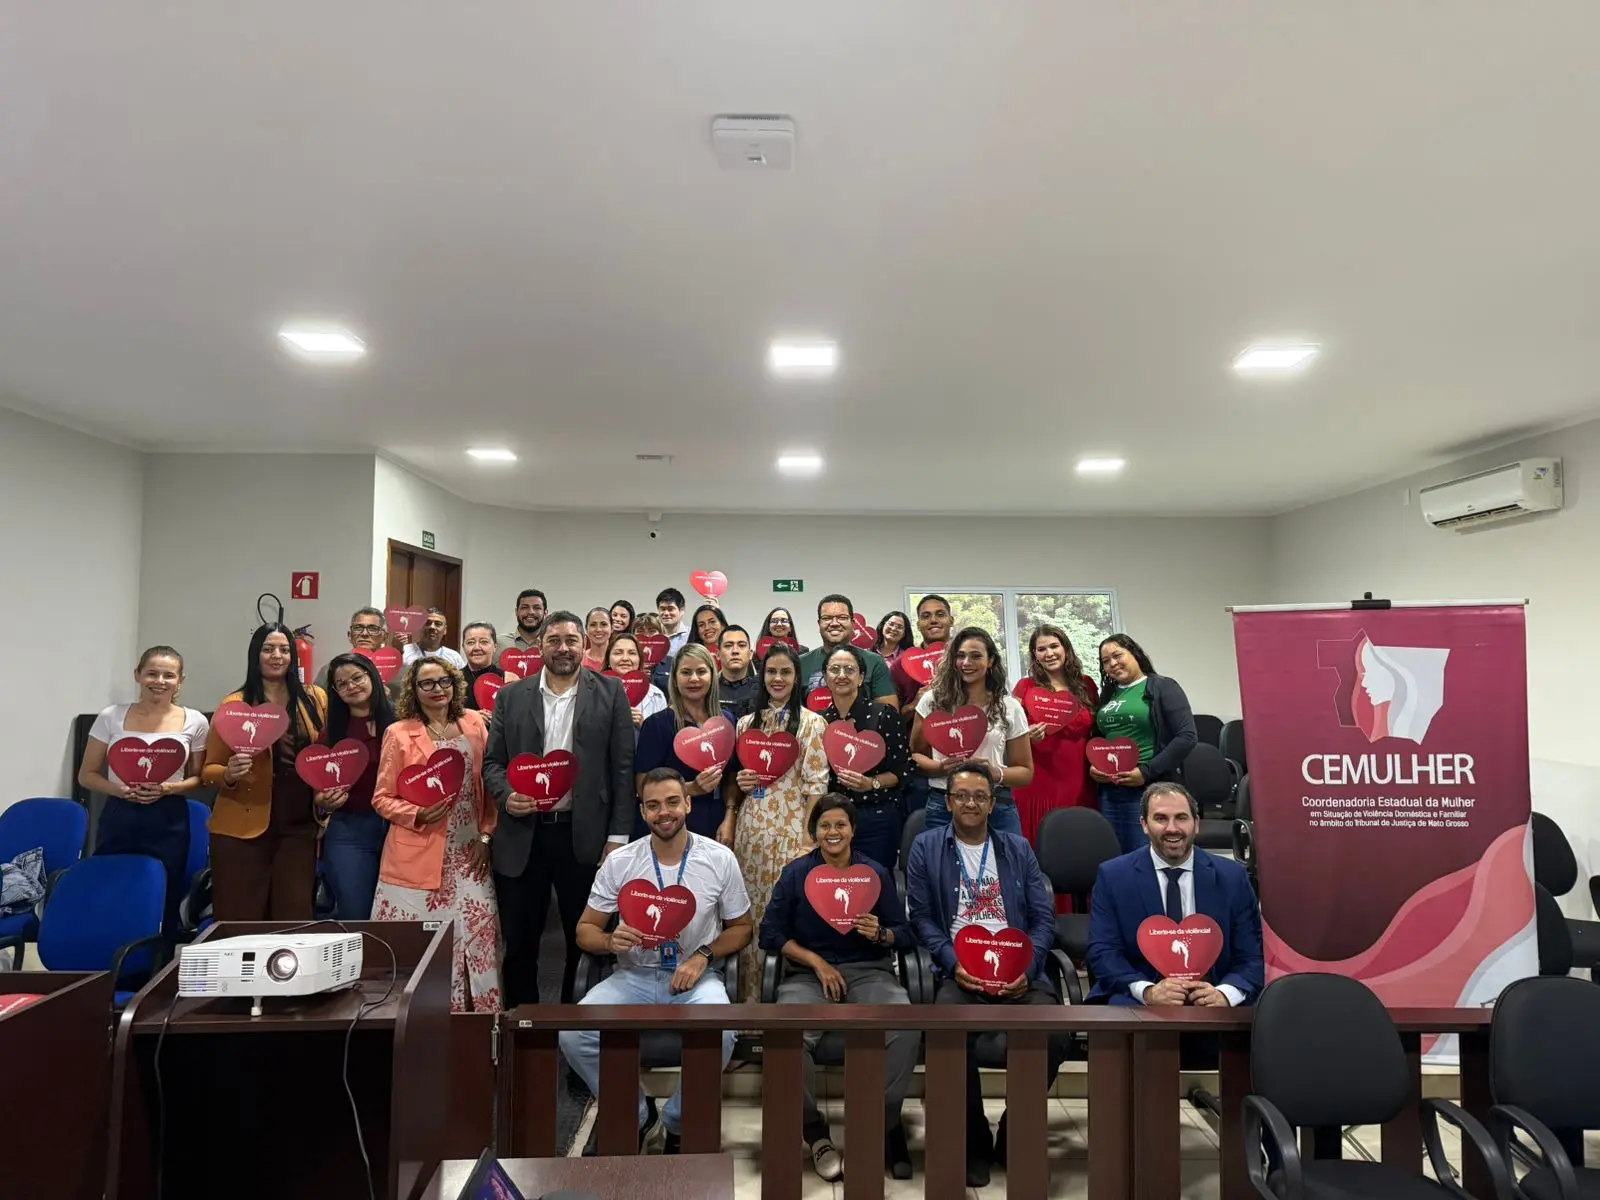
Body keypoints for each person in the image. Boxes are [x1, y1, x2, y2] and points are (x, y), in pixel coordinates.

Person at [561, 768, 753, 1155]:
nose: (663, 812)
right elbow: (585, 930)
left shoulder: (719, 858)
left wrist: (703, 955)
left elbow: (743, 928)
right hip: (632, 974)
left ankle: (679, 1121)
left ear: (687, 803)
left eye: (671, 802)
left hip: (696, 978)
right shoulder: (621, 862)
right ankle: (633, 1111)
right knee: (572, 1032)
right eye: (652, 805)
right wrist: (608, 939)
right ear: (643, 811)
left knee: (725, 1031)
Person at [905, 765, 1068, 1188]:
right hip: (959, 970)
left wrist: (1029, 969)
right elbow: (922, 918)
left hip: (1017, 970)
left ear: (993, 804)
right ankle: (973, 1141)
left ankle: (1013, 1134)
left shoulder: (1017, 848)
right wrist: (951, 962)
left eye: (980, 796)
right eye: (962, 795)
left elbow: (1042, 917)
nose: (971, 803)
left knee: (1056, 1034)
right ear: (948, 802)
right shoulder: (925, 847)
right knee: (947, 1035)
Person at [759, 795, 917, 1181]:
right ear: (815, 831)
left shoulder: (875, 873)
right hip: (809, 976)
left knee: (906, 1024)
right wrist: (817, 963)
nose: (833, 833)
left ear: (853, 830)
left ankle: (878, 1125)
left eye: (840, 825)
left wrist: (881, 933)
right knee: (786, 1035)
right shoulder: (796, 874)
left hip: (870, 972)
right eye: (825, 825)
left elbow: (906, 934)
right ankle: (816, 1135)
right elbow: (770, 933)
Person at [483, 612, 636, 1007]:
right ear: (540, 647)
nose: (563, 648)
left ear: (585, 645)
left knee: (582, 939)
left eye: (571, 640)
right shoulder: (511, 696)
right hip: (523, 835)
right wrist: (505, 796)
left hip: (583, 835)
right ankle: (523, 1026)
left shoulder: (611, 691)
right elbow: (492, 764)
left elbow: (622, 768)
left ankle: (572, 1027)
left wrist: (618, 838)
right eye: (554, 641)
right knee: (520, 941)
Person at [371, 656, 501, 1011]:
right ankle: (418, 1023)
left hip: (469, 851)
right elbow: (381, 798)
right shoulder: (398, 733)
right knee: (423, 945)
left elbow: (490, 791)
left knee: (479, 936)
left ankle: (478, 1026)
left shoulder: (475, 723)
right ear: (413, 690)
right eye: (427, 683)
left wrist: (486, 837)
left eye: (444, 681)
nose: (437, 689)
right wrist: (416, 812)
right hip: (417, 854)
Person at [1086, 782, 1263, 1008]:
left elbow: (1252, 955)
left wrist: (1225, 994)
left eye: (1181, 817)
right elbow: (1103, 952)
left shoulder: (1232, 877)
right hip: (1142, 997)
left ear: (1196, 823)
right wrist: (1147, 991)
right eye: (1160, 819)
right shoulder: (1113, 876)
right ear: (1144, 825)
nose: (1172, 828)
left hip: (1213, 995)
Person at [722, 642, 830, 1000]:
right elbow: (737, 782)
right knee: (748, 917)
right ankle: (747, 1012)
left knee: (784, 918)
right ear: (762, 676)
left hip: (792, 833)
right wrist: (736, 801)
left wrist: (808, 840)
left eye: (785, 671)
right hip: (751, 833)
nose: (778, 678)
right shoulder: (745, 724)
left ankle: (784, 1014)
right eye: (771, 671)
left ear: (796, 676)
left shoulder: (813, 724)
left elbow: (817, 787)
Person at [79, 646, 210, 934]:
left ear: (180, 680)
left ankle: (157, 966)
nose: (159, 681)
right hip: (119, 813)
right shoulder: (110, 717)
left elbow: (199, 779)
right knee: (113, 888)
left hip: (170, 816)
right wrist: (119, 790)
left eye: (169, 675)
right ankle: (109, 959)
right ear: (138, 675)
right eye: (152, 673)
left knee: (166, 892)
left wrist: (167, 788)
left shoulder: (196, 721)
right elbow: (86, 775)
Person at [201, 623, 328, 919]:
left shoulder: (315, 699)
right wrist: (229, 773)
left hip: (299, 828)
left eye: (284, 650)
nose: (277, 656)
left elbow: (323, 755)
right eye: (268, 649)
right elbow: (209, 770)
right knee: (240, 918)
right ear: (255, 655)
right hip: (241, 830)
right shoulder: (234, 705)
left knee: (293, 916)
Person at [910, 627, 1033, 837]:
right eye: (960, 656)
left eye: (976, 656)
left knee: (1008, 868)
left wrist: (997, 773)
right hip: (944, 803)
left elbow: (1025, 772)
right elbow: (915, 755)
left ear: (991, 661)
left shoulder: (1009, 706)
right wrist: (940, 767)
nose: (966, 663)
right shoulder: (932, 701)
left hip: (996, 804)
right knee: (943, 869)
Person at [1092, 634, 1198, 854]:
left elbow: (1187, 736)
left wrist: (1146, 771)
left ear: (1135, 653)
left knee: (1145, 857)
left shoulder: (1162, 686)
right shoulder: (1108, 695)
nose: (1112, 663)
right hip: (1109, 791)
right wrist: (1093, 766)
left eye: (1117, 655)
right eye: (1105, 661)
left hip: (1147, 789)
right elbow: (1098, 738)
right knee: (1114, 858)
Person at [316, 652, 396, 920]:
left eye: (357, 677)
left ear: (372, 675)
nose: (351, 686)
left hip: (401, 828)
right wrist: (323, 801)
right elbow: (317, 790)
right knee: (357, 913)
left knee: (398, 913)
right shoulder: (332, 734)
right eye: (342, 684)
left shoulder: (403, 721)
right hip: (350, 831)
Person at [816, 645, 910, 871]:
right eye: (834, 669)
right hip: (832, 821)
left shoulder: (884, 715)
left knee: (876, 884)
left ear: (861, 678)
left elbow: (903, 771)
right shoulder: (819, 722)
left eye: (849, 669)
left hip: (876, 818)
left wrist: (871, 783)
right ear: (826, 677)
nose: (841, 676)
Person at [1011, 624, 1099, 845]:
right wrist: (1025, 736)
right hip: (1037, 779)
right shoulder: (1025, 687)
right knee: (1037, 843)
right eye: (1041, 649)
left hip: (1078, 780)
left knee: (1078, 845)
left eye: (1054, 646)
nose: (1049, 653)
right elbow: (1007, 733)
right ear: (1034, 655)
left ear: (1065, 648)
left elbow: (1098, 730)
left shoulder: (1086, 684)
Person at [634, 644, 732, 840]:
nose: (694, 679)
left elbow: (732, 775)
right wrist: (691, 788)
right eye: (686, 672)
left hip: (720, 823)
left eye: (701, 672)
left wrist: (730, 816)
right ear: (675, 679)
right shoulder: (657, 725)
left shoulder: (727, 721)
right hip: (672, 826)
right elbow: (642, 787)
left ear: (712, 676)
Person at [797, 594, 897, 705]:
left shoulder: (874, 662)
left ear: (853, 624)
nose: (834, 623)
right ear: (819, 624)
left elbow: (889, 713)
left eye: (842, 618)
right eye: (827, 618)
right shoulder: (800, 663)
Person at [890, 594, 954, 712]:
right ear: (918, 625)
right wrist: (914, 705)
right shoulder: (901, 664)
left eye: (940, 614)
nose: (933, 620)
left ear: (951, 620)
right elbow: (893, 719)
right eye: (926, 616)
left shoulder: (967, 660)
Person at [314, 606, 387, 690]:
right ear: (350, 636)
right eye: (358, 628)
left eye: (373, 629)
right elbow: (315, 701)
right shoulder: (330, 670)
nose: (364, 634)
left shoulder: (399, 672)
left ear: (384, 637)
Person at [605, 633, 668, 730]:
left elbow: (663, 738)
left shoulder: (656, 695)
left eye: (632, 653)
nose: (625, 658)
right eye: (618, 653)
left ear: (640, 659)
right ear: (608, 659)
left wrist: (644, 726)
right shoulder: (595, 691)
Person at [462, 621, 517, 710]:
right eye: (470, 643)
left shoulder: (510, 679)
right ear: (463, 647)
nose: (477, 648)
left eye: (484, 642)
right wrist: (470, 716)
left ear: (495, 647)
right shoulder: (453, 680)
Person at [716, 624, 760, 720]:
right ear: (718, 654)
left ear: (751, 654)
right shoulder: (708, 690)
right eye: (728, 646)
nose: (735, 651)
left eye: (741, 645)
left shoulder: (762, 692)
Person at [402, 607, 467, 670]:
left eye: (438, 624)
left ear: (445, 630)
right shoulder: (405, 651)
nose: (432, 627)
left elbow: (462, 680)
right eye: (427, 623)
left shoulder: (454, 656)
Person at [657, 587, 690, 656]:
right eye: (662, 609)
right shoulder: (654, 636)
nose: (666, 613)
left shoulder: (691, 635)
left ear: (681, 610)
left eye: (670, 609)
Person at [582, 607, 613, 672]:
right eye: (593, 625)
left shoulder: (619, 659)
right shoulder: (579, 660)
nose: (598, 629)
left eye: (604, 624)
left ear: (612, 628)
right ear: (586, 629)